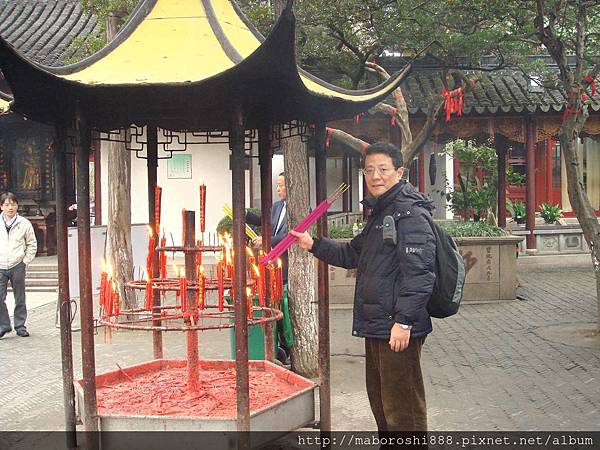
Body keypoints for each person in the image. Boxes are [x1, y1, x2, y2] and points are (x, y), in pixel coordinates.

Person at [291, 142, 436, 433]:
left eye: (383, 169)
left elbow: (420, 273)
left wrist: (404, 322)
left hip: (396, 326)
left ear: (399, 171)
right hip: (378, 323)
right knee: (383, 404)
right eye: (369, 170)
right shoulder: (381, 213)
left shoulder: (409, 213)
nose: (375, 176)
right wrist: (313, 244)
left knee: (403, 409)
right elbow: (351, 254)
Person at [246, 172, 292, 364]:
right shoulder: (277, 206)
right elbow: (264, 221)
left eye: (281, 185)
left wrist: (267, 241)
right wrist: (244, 214)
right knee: (272, 303)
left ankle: (287, 346)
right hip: (270, 266)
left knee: (284, 308)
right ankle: (277, 345)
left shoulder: (298, 207)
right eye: (277, 185)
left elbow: (290, 237)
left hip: (286, 266)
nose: (278, 189)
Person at [0, 192, 37, 338]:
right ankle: (4, 325)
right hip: (1, 265)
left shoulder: (24, 223)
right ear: (1, 206)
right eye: (7, 204)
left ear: (17, 206)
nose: (10, 207)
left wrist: (25, 261)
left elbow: (32, 244)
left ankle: (20, 325)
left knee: (20, 297)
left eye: (13, 204)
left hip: (17, 264)